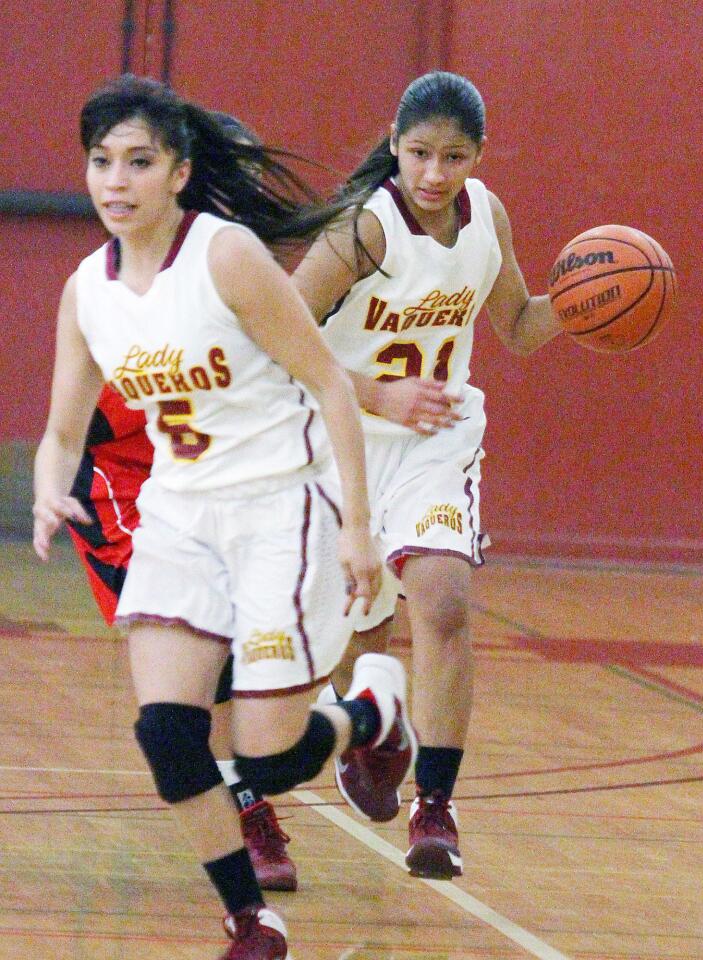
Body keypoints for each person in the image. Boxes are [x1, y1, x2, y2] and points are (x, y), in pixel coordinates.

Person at [33, 74, 416, 960]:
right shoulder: (86, 290)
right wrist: (50, 486)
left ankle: (371, 711)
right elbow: (60, 432)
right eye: (100, 162)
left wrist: (359, 529)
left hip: (280, 507)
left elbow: (326, 381)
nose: (115, 181)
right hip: (179, 518)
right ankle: (251, 920)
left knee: (270, 758)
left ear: (178, 172)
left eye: (138, 162)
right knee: (169, 736)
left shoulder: (225, 255)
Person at [292, 70, 562, 879]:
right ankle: (377, 724)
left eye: (453, 156)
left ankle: (436, 807)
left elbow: (515, 326)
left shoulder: (489, 218)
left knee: (443, 597)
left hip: (435, 442)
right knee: (359, 634)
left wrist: (580, 308)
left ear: (478, 156)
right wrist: (378, 391)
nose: (435, 173)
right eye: (419, 154)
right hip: (341, 441)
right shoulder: (362, 231)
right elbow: (279, 341)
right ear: (394, 144)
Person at [67, 381, 299, 891]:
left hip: (208, 484)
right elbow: (71, 431)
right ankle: (247, 807)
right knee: (200, 648)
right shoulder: (117, 326)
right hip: (121, 490)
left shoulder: (239, 309)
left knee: (259, 649)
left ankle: (362, 721)